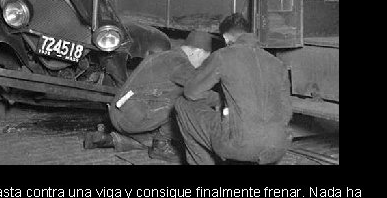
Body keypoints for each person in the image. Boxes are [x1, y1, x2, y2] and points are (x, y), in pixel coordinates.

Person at [174, 13, 293, 165]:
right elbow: (286, 112)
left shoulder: (223, 56)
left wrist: (219, 104)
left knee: (182, 105)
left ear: (226, 38)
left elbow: (191, 93)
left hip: (239, 145)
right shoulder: (277, 63)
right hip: (277, 148)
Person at [83, 30, 215, 163]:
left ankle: (106, 139)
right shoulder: (179, 62)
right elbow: (198, 88)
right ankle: (161, 147)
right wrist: (222, 99)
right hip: (132, 116)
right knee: (186, 102)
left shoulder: (166, 56)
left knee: (158, 140)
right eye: (204, 59)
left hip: (120, 112)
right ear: (197, 52)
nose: (201, 65)